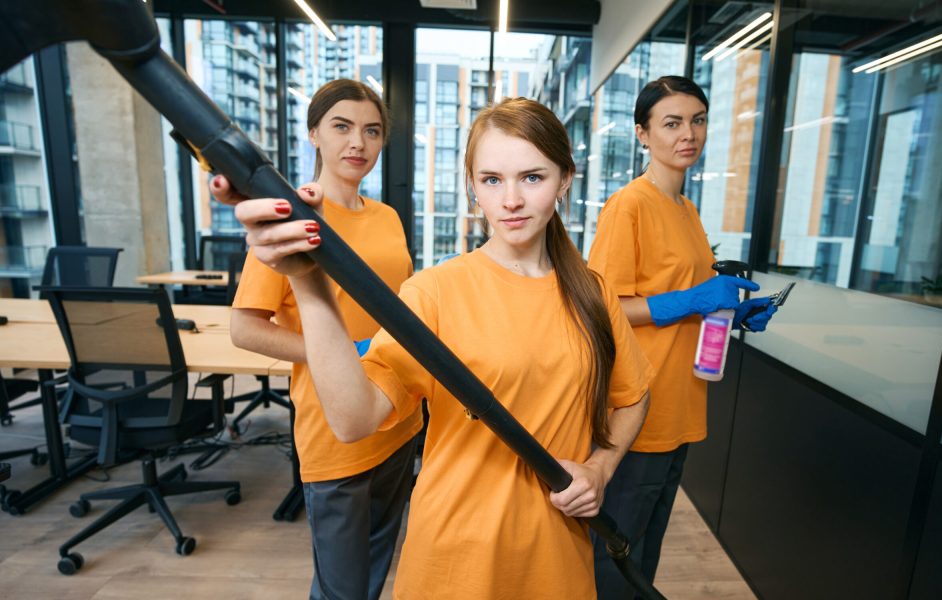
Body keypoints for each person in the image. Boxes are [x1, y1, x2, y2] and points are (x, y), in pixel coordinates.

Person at [226, 97, 654, 599]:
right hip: (456, 557)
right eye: (492, 180)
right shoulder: (435, 292)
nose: (511, 200)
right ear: (473, 187)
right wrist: (310, 286)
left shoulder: (593, 292)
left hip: (557, 555)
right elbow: (352, 419)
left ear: (564, 179)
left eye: (532, 177)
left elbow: (633, 396)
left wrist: (600, 469)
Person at [216, 79, 421, 600]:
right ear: (315, 134)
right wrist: (341, 354)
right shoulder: (289, 217)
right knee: (341, 589)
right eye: (342, 127)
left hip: (396, 417)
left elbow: (402, 309)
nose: (358, 142)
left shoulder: (388, 218)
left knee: (374, 569)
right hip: (334, 428)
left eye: (372, 131)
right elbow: (244, 328)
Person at [586, 76, 778, 599]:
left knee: (647, 546)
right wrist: (690, 301)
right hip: (639, 403)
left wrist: (733, 312)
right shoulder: (630, 205)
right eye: (671, 123)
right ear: (643, 134)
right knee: (617, 550)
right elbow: (603, 309)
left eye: (697, 120)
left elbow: (682, 294)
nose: (687, 133)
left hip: (682, 400)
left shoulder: (686, 210)